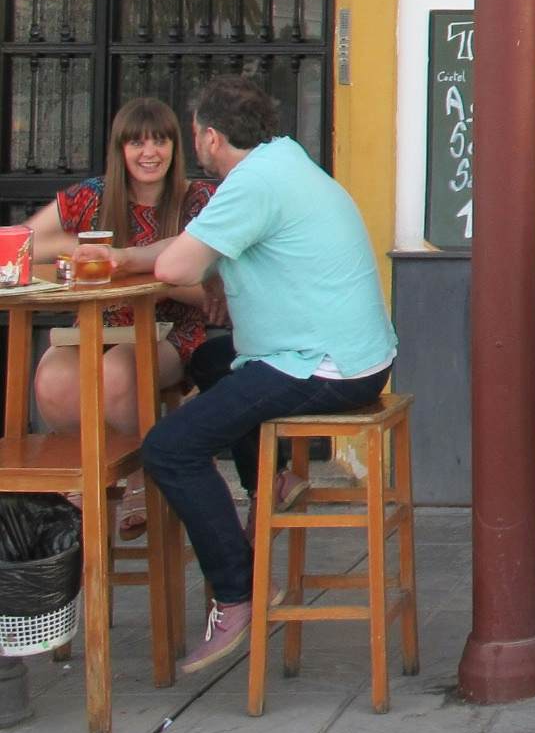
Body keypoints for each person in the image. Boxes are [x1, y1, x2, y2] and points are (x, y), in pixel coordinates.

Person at [139, 76, 399, 677]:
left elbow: (175, 265)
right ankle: (270, 482)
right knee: (212, 361)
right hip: (353, 356)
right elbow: (198, 252)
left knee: (169, 448)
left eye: (194, 135)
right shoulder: (283, 162)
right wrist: (135, 258)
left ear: (209, 136)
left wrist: (166, 263)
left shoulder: (251, 183)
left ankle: (237, 593)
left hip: (322, 366)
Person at [25, 99, 220, 499]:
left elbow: (210, 294)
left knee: (117, 370)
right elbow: (26, 239)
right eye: (137, 143)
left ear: (175, 146)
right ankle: (92, 482)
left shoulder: (200, 199)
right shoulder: (94, 195)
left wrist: (132, 267)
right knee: (52, 379)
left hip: (170, 330)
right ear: (120, 149)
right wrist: (81, 247)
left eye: (160, 141)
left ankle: (143, 480)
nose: (150, 153)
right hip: (97, 325)